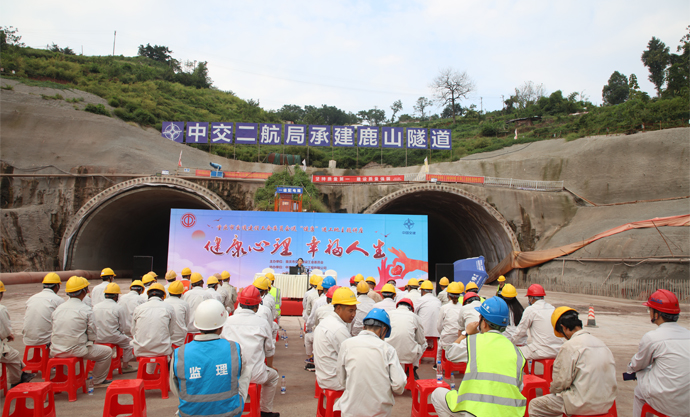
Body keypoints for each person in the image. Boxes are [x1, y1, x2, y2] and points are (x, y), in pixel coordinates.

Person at [431, 297, 527, 417]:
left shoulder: (473, 341)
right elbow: (519, 387)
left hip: (476, 411)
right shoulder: (516, 351)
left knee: (437, 394)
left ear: (484, 323)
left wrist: (466, 333)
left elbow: (450, 353)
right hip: (510, 413)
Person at [528, 307, 617, 417]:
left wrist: (554, 391)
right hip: (606, 403)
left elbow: (560, 382)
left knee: (535, 405)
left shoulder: (570, 346)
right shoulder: (602, 344)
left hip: (580, 404)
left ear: (563, 327)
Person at [171, 298, 249, 417]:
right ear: (221, 326)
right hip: (229, 413)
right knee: (246, 369)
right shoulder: (234, 348)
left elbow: (175, 388)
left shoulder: (180, 353)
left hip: (190, 413)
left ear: (197, 325)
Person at [628, 289, 690, 417]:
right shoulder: (688, 334)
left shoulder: (652, 337)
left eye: (650, 310)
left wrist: (631, 369)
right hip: (687, 403)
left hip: (668, 404)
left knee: (639, 388)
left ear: (657, 314)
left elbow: (637, 364)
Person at [335, 308, 406, 417]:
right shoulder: (388, 349)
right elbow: (399, 385)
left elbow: (342, 379)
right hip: (379, 413)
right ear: (384, 330)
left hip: (350, 411)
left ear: (364, 327)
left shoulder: (347, 344)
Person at [222, 286, 280, 417]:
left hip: (231, 373)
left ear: (239, 303)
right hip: (255, 374)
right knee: (273, 376)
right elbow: (269, 350)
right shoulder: (262, 323)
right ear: (258, 306)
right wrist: (270, 366)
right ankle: (265, 411)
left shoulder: (227, 321)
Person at [50, 276, 112, 387]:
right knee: (106, 352)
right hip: (76, 349)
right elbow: (92, 333)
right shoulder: (86, 309)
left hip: (56, 348)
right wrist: (89, 342)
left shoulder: (58, 308)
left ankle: (64, 378)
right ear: (84, 291)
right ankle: (97, 380)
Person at [313, 287, 359, 390]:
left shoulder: (326, 322)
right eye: (350, 311)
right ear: (338, 308)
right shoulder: (338, 329)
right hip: (335, 380)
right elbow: (352, 357)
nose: (354, 315)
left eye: (355, 310)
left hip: (324, 377)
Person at [507, 284, 563, 360]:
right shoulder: (552, 308)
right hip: (558, 350)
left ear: (531, 298)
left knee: (515, 351)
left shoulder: (531, 310)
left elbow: (520, 332)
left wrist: (510, 343)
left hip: (541, 351)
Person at [92, 283, 136, 372]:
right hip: (113, 336)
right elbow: (122, 327)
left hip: (98, 337)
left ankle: (93, 366)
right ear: (116, 296)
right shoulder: (118, 308)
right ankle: (125, 366)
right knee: (129, 344)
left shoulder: (96, 307)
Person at [0, 280, 37, 387]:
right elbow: (4, 330)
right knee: (13, 355)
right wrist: (8, 335)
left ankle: (22, 375)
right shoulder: (1, 309)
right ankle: (16, 381)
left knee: (10, 353)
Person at [131, 283, 176, 358]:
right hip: (162, 349)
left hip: (140, 349)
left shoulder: (139, 308)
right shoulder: (169, 308)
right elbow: (171, 331)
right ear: (163, 296)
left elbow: (133, 331)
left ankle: (149, 370)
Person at [386, 298, 426, 380]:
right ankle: (413, 368)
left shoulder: (389, 314)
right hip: (409, 355)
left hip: (389, 353)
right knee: (424, 344)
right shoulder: (415, 317)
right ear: (411, 309)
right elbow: (421, 340)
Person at [22, 272, 65, 348]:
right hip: (46, 340)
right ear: (57, 286)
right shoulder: (58, 300)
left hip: (28, 339)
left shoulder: (31, 298)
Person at [436, 282, 464, 367]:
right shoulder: (463, 308)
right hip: (459, 339)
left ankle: (438, 365)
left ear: (448, 295)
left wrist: (443, 333)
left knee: (440, 345)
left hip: (446, 338)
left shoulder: (444, 308)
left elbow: (439, 326)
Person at [303, 277, 324, 371]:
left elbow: (308, 312)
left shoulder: (316, 299)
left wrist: (308, 327)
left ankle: (312, 357)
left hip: (319, 328)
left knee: (308, 337)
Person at [417, 280, 442, 355]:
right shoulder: (437, 301)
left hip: (423, 331)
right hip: (436, 332)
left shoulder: (420, 300)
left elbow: (414, 313)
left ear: (422, 291)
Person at [164, 281, 191, 349]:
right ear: (181, 293)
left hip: (165, 337)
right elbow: (186, 321)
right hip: (180, 337)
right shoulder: (184, 304)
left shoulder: (163, 303)